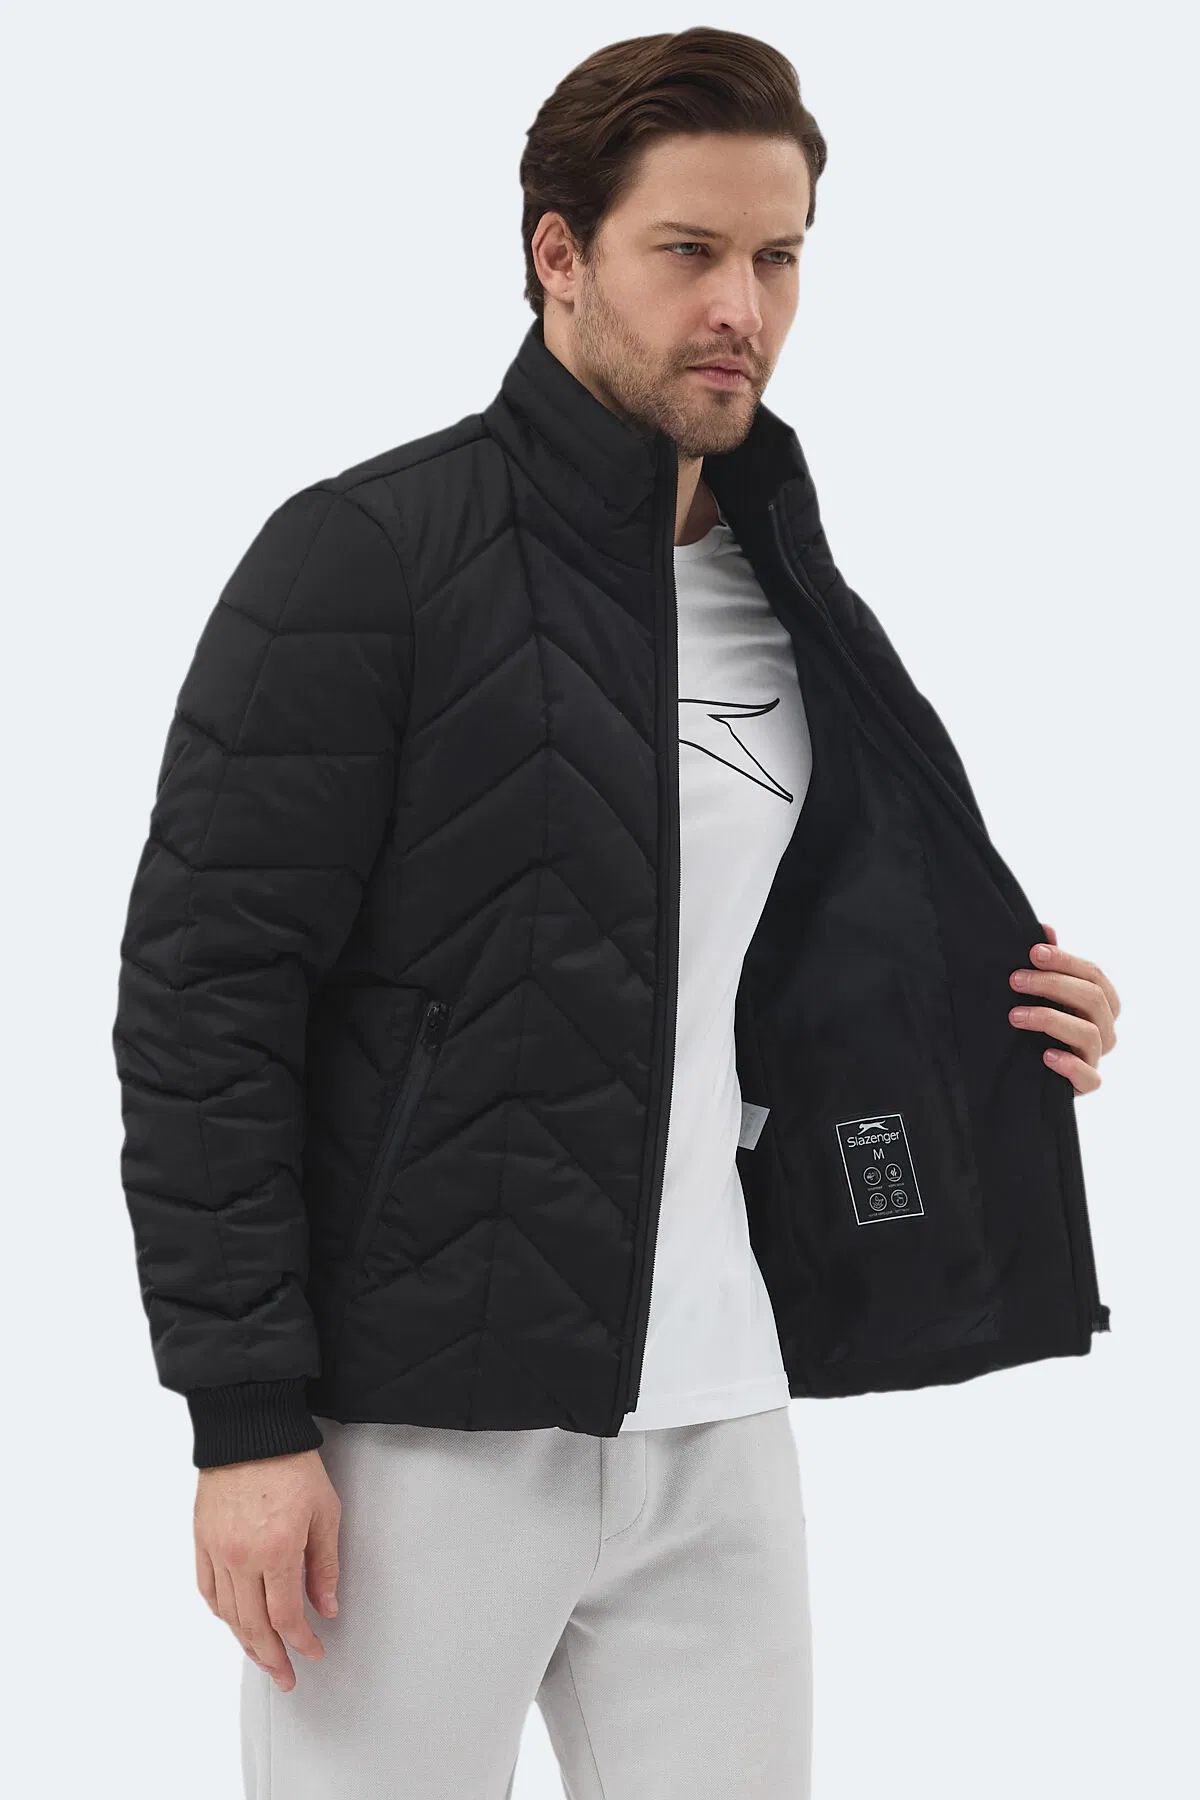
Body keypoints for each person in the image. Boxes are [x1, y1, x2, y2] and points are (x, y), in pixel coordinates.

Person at [110, 26, 1119, 1800]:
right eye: (689, 250)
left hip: (718, 1412)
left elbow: (778, 948)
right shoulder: (369, 557)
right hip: (421, 1428)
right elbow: (206, 1001)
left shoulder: (782, 580)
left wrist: (1001, 1019)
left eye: (779, 256)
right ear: (558, 253)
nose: (742, 306)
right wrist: (246, 1422)